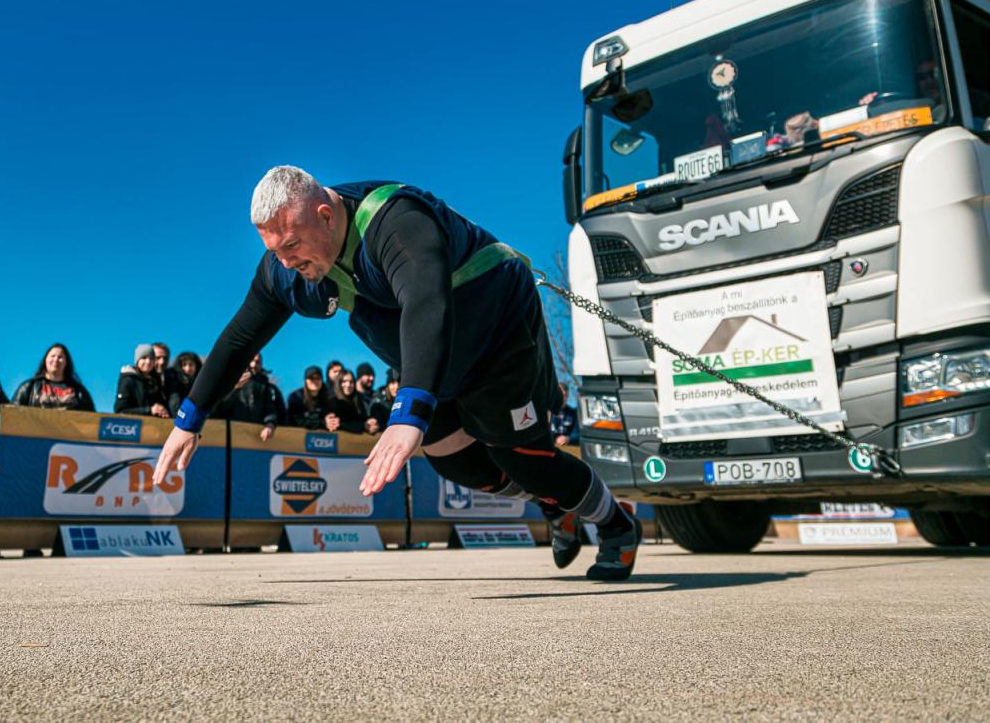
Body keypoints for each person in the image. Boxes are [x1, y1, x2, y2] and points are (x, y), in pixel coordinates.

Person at [154, 166, 642, 581]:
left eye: (293, 245)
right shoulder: (287, 267)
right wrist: (190, 418)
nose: (285, 262)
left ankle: (616, 524)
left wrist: (409, 414)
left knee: (523, 457)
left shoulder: (396, 221)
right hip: (432, 355)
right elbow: (240, 338)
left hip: (495, 331)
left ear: (326, 215)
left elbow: (426, 303)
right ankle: (553, 503)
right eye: (275, 249)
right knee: (454, 461)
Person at [211, 353, 280, 439]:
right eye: (251, 360)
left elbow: (269, 410)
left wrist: (270, 424)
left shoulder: (265, 385)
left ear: (261, 364)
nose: (253, 365)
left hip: (255, 437)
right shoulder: (229, 378)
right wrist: (235, 388)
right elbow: (218, 408)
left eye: (257, 362)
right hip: (230, 435)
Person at [12, 344, 95, 410]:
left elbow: (92, 420)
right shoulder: (28, 387)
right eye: (52, 356)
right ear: (45, 360)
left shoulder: (79, 392)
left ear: (66, 362)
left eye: (60, 357)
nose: (56, 360)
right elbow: (12, 414)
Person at [115, 343, 170, 417]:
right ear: (137, 361)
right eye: (144, 358)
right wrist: (149, 410)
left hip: (151, 423)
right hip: (132, 423)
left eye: (151, 358)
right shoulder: (128, 379)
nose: (148, 361)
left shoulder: (154, 382)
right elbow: (120, 410)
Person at [286, 365, 329, 431]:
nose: (315, 381)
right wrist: (322, 423)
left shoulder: (327, 397)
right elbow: (295, 421)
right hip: (298, 435)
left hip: (324, 435)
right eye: (311, 378)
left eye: (318, 378)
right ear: (306, 381)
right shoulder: (296, 396)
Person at [326, 369, 368, 434]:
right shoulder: (332, 402)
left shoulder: (358, 402)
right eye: (344, 381)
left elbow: (363, 421)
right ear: (339, 383)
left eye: (351, 382)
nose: (348, 385)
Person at [366, 367, 400, 435]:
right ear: (388, 385)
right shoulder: (378, 402)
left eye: (399, 383)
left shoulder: (404, 400)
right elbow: (376, 421)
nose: (396, 387)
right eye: (393, 383)